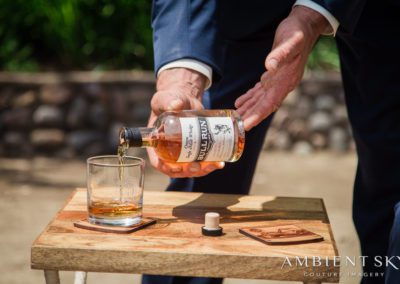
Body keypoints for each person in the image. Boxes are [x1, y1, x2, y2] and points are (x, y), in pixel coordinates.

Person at [143, 1, 400, 284]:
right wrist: (182, 75)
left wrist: (313, 14)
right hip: (245, 13)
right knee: (201, 174)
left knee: (390, 172)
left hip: (382, 14)